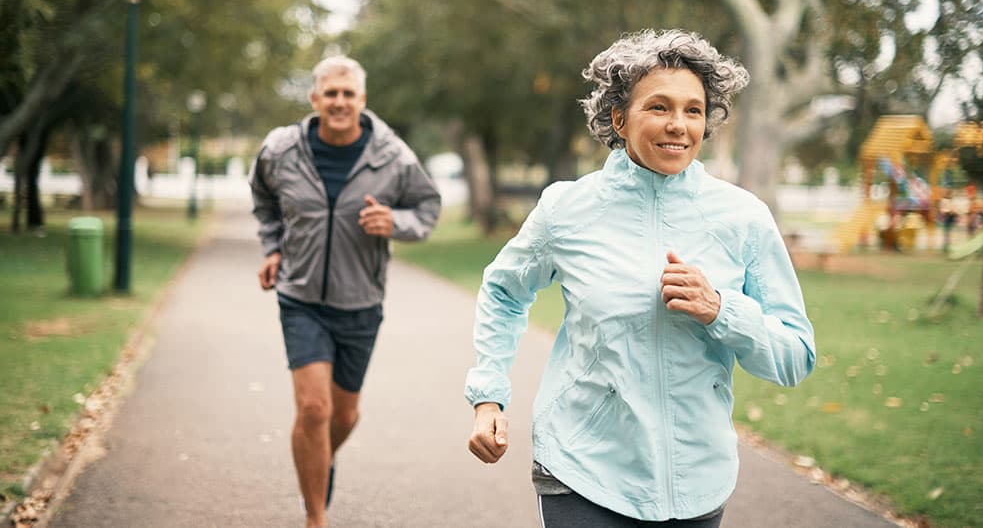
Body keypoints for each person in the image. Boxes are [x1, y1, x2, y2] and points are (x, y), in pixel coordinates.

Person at [465, 29, 815, 527]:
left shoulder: (743, 217)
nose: (678, 125)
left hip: (698, 481)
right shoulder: (567, 209)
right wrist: (489, 396)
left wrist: (722, 310)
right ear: (618, 118)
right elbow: (503, 291)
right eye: (659, 107)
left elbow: (795, 357)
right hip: (582, 468)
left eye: (693, 110)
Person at [250, 55, 441, 528]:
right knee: (313, 409)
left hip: (360, 302)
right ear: (315, 99)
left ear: (362, 100)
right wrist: (273, 248)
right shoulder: (280, 149)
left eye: (348, 93)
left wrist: (393, 222)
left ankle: (316, 459)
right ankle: (317, 517)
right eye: (330, 93)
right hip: (301, 298)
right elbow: (263, 199)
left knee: (345, 416)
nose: (339, 102)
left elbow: (428, 208)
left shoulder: (392, 156)